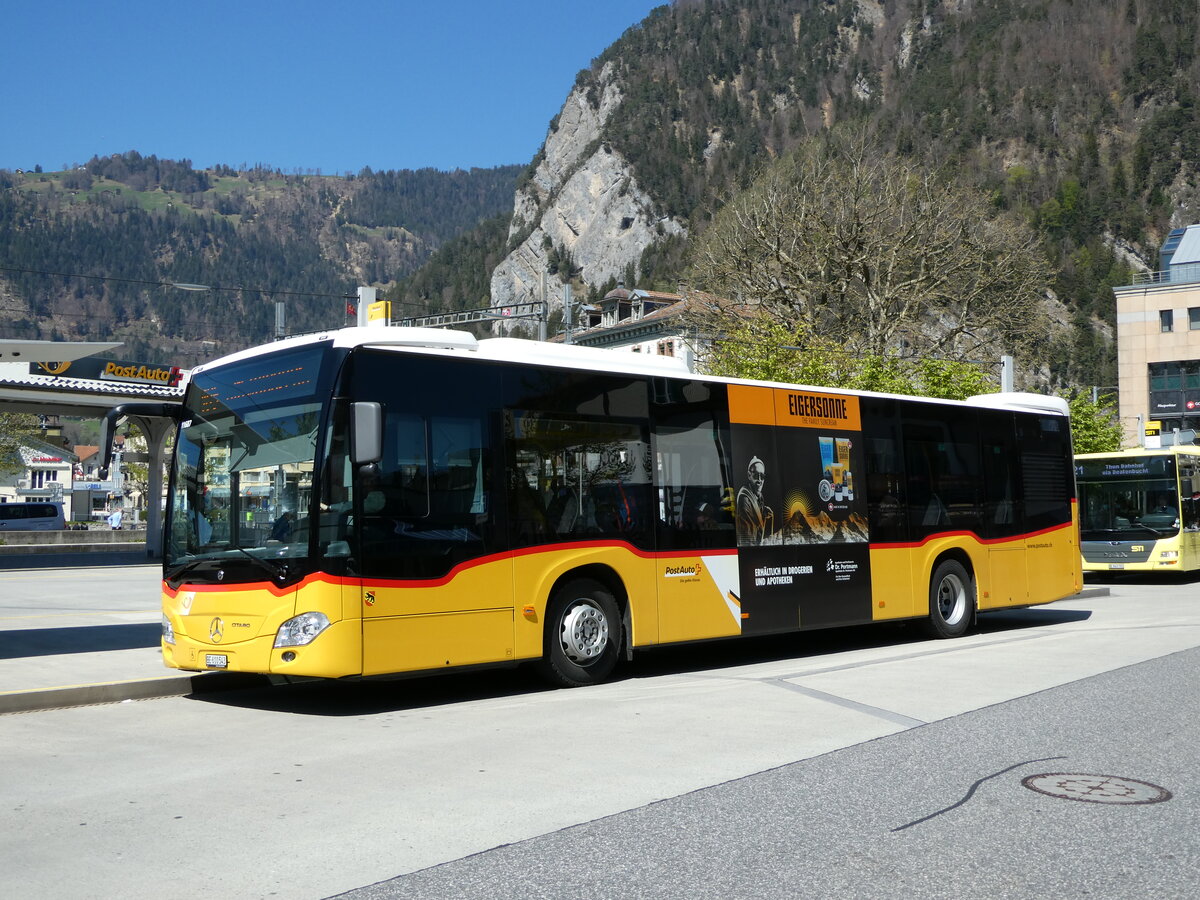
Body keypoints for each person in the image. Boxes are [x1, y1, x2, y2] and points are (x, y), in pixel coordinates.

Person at [736, 456, 773, 545]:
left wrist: (764, 512)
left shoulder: (758, 495)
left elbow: (757, 516)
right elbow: (748, 538)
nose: (759, 480)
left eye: (762, 476)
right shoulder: (744, 498)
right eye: (756, 475)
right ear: (749, 475)